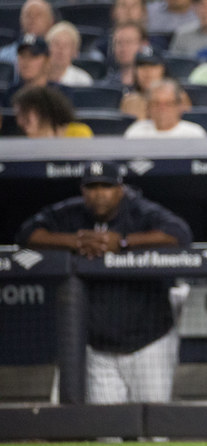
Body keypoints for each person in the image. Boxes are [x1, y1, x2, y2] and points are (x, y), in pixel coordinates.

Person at [16, 160, 191, 404]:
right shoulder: (70, 213)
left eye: (106, 187)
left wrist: (123, 243)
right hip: (98, 348)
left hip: (149, 343)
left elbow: (180, 234)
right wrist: (76, 242)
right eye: (92, 187)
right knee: (106, 434)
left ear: (120, 189)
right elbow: (27, 234)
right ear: (83, 190)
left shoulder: (140, 211)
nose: (99, 194)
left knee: (154, 430)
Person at [124, 79, 206, 138]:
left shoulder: (194, 134)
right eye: (156, 103)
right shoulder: (136, 132)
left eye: (168, 104)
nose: (162, 109)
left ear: (179, 107)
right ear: (148, 107)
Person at [11, 86, 93, 138]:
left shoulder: (78, 133)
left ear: (44, 111)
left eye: (25, 113)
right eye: (18, 115)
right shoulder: (23, 142)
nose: (20, 121)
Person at [101, 22, 148, 92]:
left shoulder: (153, 85)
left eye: (129, 42)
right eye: (118, 42)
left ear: (143, 44)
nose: (123, 48)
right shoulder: (106, 85)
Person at [45, 22, 93, 87]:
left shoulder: (83, 81)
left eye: (66, 45)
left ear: (75, 52)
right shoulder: (37, 77)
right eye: (56, 44)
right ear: (47, 48)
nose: (60, 49)